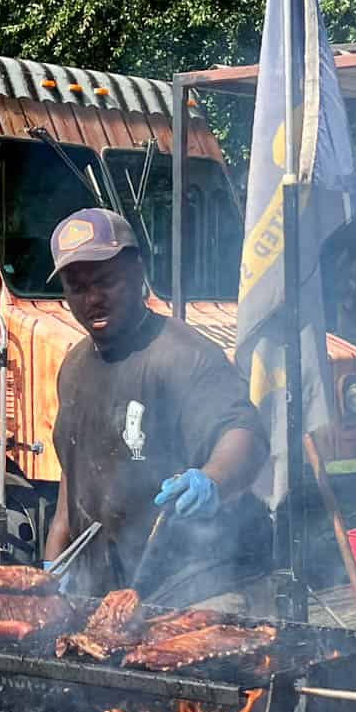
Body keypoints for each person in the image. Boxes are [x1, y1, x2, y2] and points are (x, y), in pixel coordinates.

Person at [44, 209, 271, 604]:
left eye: (105, 281)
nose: (92, 298)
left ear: (136, 272)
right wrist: (54, 567)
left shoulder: (184, 355)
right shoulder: (74, 366)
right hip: (113, 599)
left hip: (201, 589)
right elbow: (74, 476)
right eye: (77, 286)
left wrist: (212, 482)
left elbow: (245, 435)